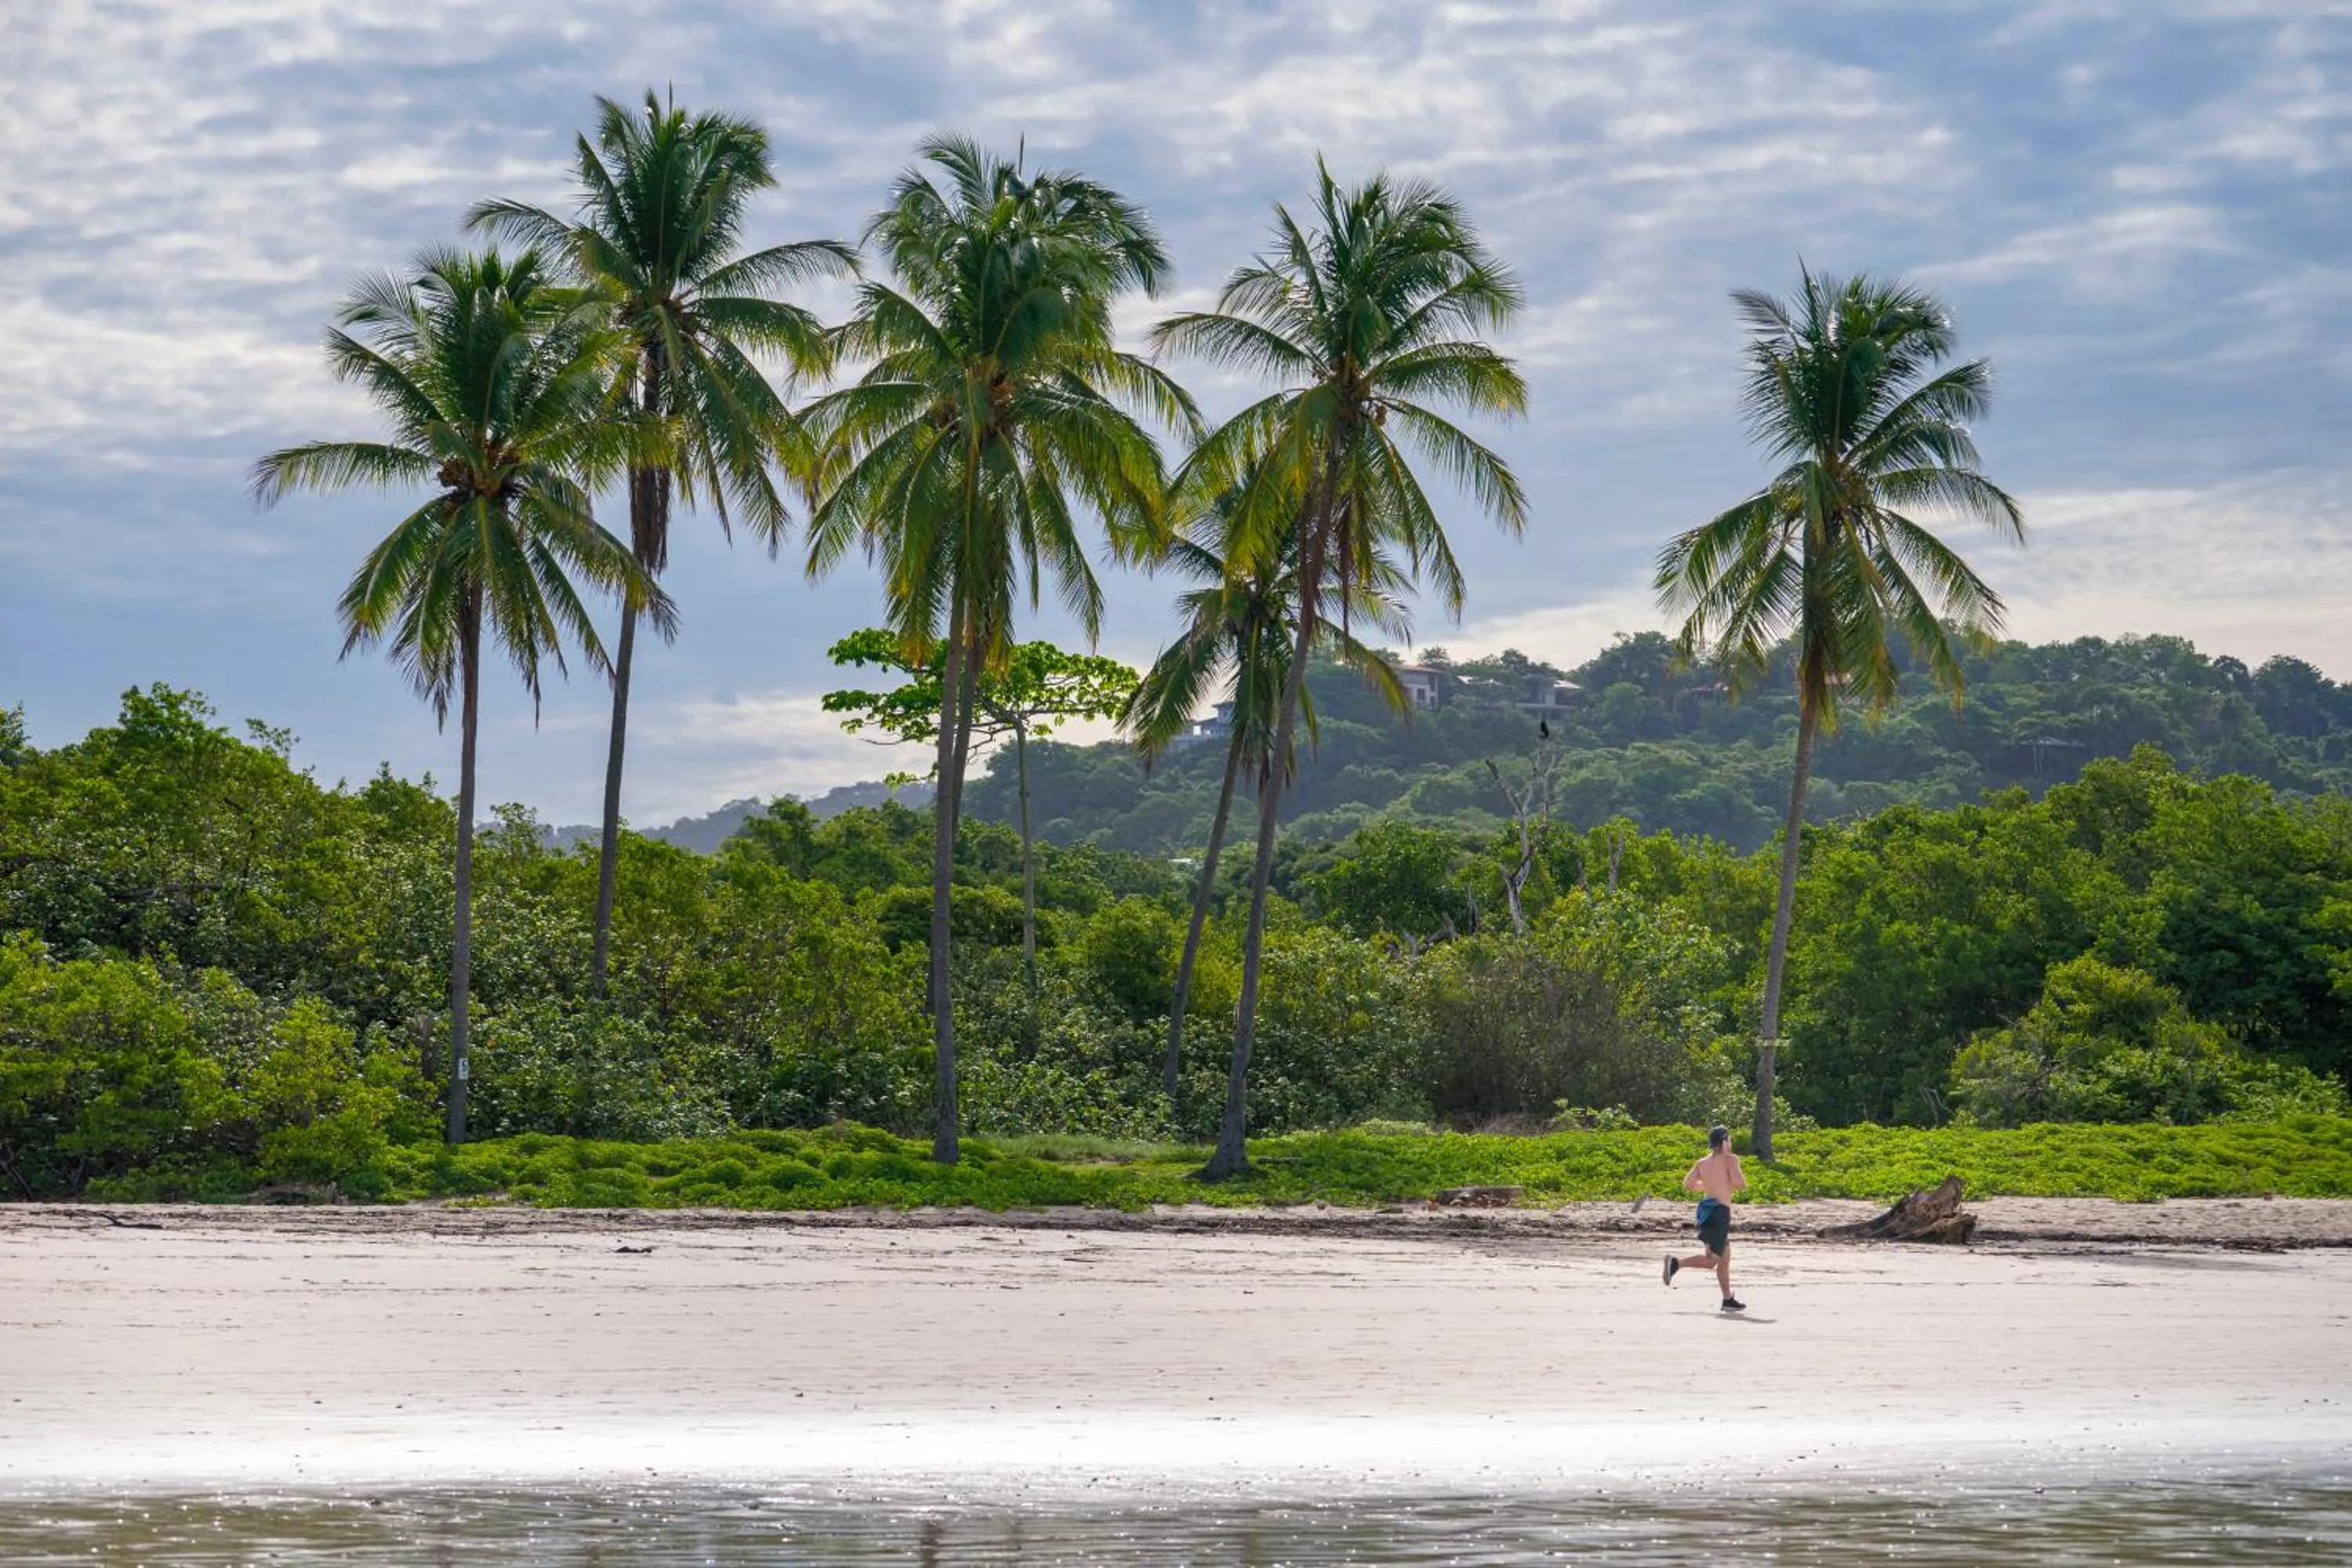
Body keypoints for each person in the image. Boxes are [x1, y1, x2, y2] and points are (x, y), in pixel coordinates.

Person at [1664, 1124, 1746, 1312]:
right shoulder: (1730, 1160)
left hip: (1707, 1210)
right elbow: (1740, 1184)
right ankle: (1676, 1264)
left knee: (1724, 1258)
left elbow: (1688, 1184)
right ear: (1725, 1141)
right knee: (1712, 1261)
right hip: (1719, 1214)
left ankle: (1727, 1299)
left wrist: (1709, 1186)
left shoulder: (1702, 1163)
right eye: (1729, 1140)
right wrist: (1730, 1167)